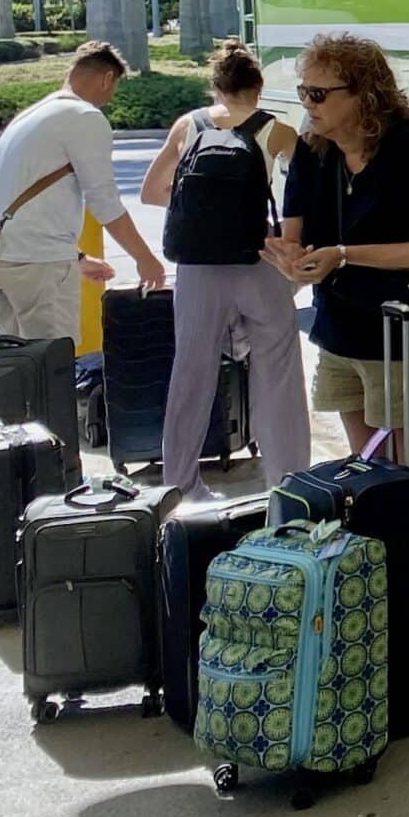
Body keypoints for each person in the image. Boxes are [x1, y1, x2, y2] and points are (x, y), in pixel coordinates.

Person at [266, 32, 409, 678]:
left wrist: (348, 255)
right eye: (304, 92)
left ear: (365, 94)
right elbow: (298, 242)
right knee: (372, 474)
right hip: (347, 329)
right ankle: (386, 617)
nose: (308, 105)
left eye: (320, 94)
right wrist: (286, 258)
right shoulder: (313, 151)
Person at [139, 40, 309, 494]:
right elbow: (304, 195)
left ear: (215, 87)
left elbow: (151, 192)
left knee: (191, 374)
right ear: (258, 87)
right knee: (278, 373)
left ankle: (180, 485)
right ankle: (287, 483)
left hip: (197, 270)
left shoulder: (188, 126)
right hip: (260, 261)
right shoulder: (276, 130)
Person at [0, 40, 165, 341]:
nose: (109, 98)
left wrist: (75, 258)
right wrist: (145, 258)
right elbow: (104, 202)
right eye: (112, 89)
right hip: (38, 261)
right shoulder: (84, 117)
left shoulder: (34, 114)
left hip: (1, 256)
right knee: (53, 364)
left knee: (19, 365)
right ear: (107, 78)